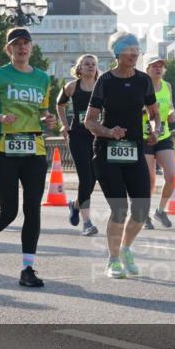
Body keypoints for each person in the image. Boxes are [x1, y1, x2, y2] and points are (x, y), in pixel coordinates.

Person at [0, 27, 56, 288]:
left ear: (31, 47)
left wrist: (47, 119)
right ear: (9, 49)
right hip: (3, 150)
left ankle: (28, 269)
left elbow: (42, 112)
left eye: (26, 43)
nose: (22, 48)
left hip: (34, 150)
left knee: (32, 209)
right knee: (9, 211)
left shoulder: (42, 78)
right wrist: (0, 118)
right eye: (16, 44)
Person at [85, 32, 163, 278]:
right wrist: (109, 131)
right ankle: (113, 258)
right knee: (119, 208)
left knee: (141, 208)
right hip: (107, 151)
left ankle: (126, 248)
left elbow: (153, 113)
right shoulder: (105, 81)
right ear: (117, 53)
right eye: (129, 50)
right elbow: (90, 121)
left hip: (134, 150)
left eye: (136, 49)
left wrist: (155, 129)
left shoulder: (143, 80)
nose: (134, 54)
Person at [56, 53, 100, 237]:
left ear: (96, 68)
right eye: (86, 64)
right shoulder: (72, 86)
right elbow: (60, 104)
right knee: (85, 178)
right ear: (79, 68)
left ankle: (74, 205)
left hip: (98, 136)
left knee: (94, 177)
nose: (90, 66)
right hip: (78, 136)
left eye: (93, 64)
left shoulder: (102, 86)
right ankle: (87, 223)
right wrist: (65, 126)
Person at [141, 55, 175, 231]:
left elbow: (170, 106)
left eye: (160, 66)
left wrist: (172, 113)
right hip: (145, 137)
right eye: (154, 66)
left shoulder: (167, 86)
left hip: (163, 136)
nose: (158, 68)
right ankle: (145, 214)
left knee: (171, 176)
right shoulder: (141, 87)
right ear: (147, 69)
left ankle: (160, 210)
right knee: (149, 178)